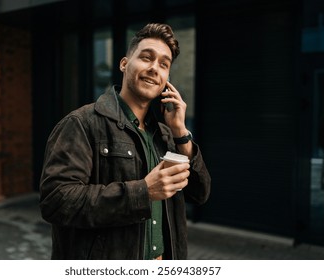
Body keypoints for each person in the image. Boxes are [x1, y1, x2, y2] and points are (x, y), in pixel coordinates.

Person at [39, 23, 211, 260]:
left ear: (167, 78)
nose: (154, 68)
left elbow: (199, 194)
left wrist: (181, 132)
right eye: (146, 58)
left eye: (163, 64)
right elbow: (56, 201)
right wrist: (144, 191)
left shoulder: (166, 134)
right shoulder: (82, 123)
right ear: (124, 64)